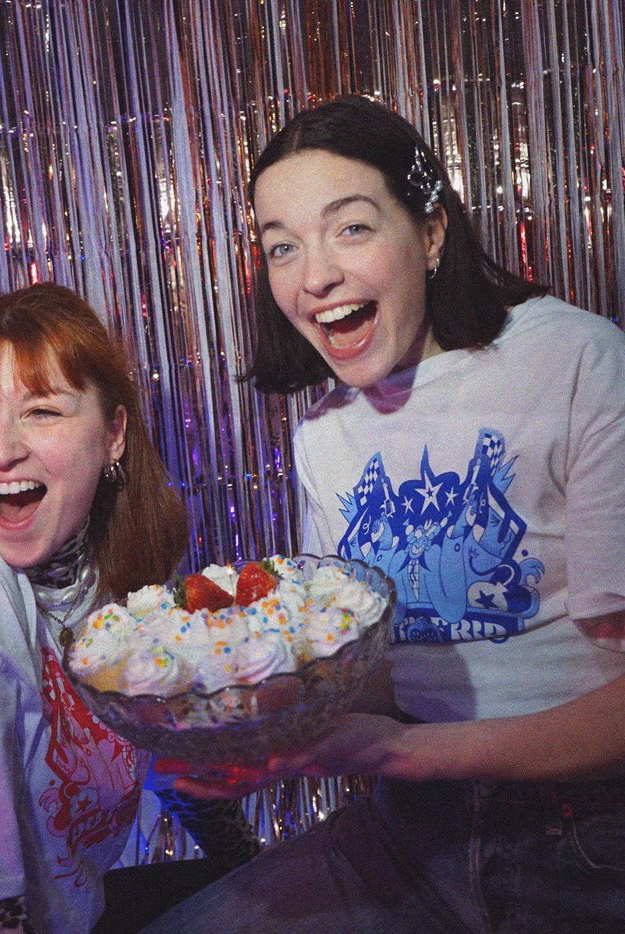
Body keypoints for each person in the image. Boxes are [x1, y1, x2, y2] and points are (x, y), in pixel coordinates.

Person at [144, 95, 625, 932]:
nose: (314, 276)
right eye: (282, 245)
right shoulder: (325, 436)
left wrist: (402, 751)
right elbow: (365, 676)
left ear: (431, 233)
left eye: (351, 228)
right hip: (409, 832)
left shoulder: (575, 359)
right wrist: (257, 729)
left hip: (584, 836)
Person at [0, 284, 258, 934]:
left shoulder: (108, 550)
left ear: (113, 434)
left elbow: (169, 750)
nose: (2, 449)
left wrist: (250, 869)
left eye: (41, 411)